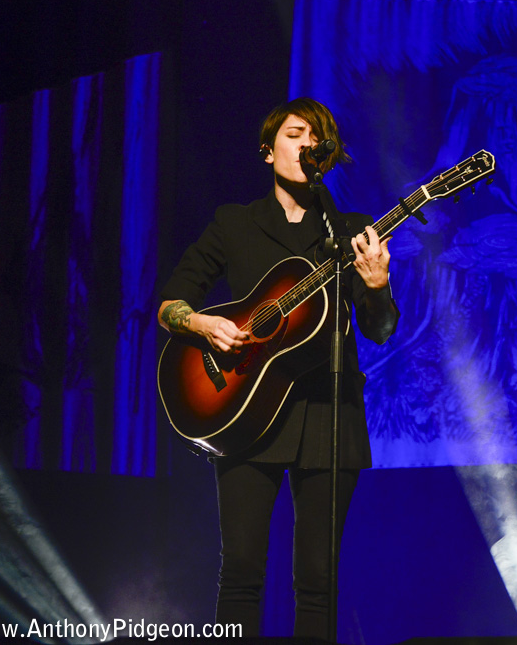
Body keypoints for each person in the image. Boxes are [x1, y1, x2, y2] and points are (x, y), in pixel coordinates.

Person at [157, 97, 398, 638]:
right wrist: (202, 326)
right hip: (243, 403)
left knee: (318, 577)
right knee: (241, 569)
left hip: (327, 411)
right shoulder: (234, 223)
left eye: (317, 138)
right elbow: (171, 302)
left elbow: (380, 331)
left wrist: (378, 287)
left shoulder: (350, 230)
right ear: (268, 151)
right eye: (295, 134)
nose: (306, 144)